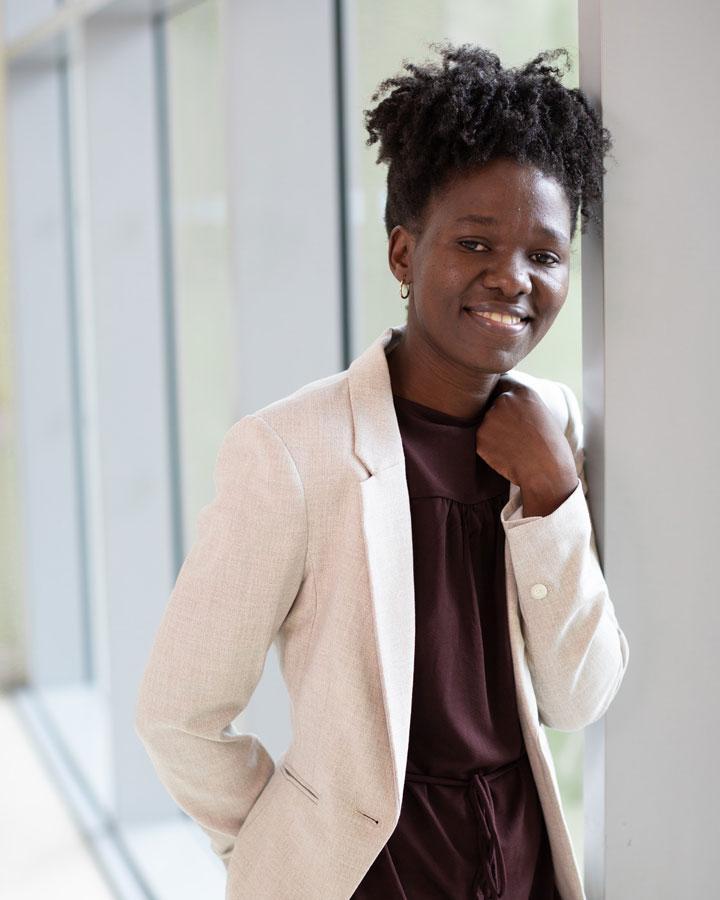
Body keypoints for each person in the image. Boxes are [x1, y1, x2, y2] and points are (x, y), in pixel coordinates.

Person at [135, 41, 630, 900]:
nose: (511, 279)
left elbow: (580, 698)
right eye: (474, 241)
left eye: (545, 256)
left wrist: (553, 497)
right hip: (373, 875)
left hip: (522, 858)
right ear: (404, 254)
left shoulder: (553, 429)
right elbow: (178, 715)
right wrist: (278, 843)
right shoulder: (293, 453)